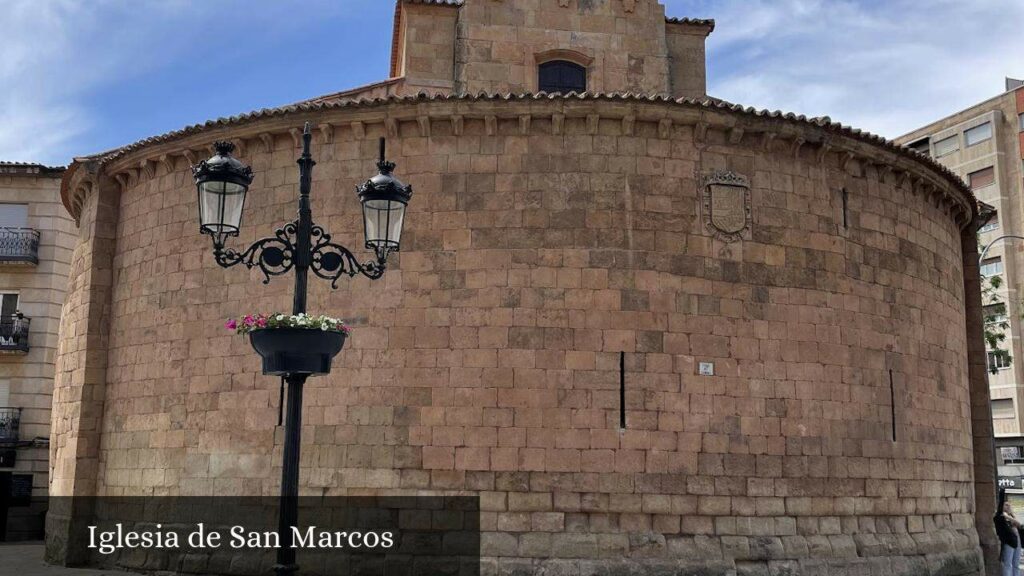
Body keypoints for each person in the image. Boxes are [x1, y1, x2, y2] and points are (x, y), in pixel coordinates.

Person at [996, 489, 1023, 576]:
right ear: (1002, 506)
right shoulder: (1000, 516)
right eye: (1006, 505)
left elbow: (1019, 524)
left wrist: (1011, 515)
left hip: (1016, 540)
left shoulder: (1010, 516)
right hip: (1008, 542)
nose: (1008, 506)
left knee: (1016, 564)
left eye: (1009, 505)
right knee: (1008, 564)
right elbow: (1000, 513)